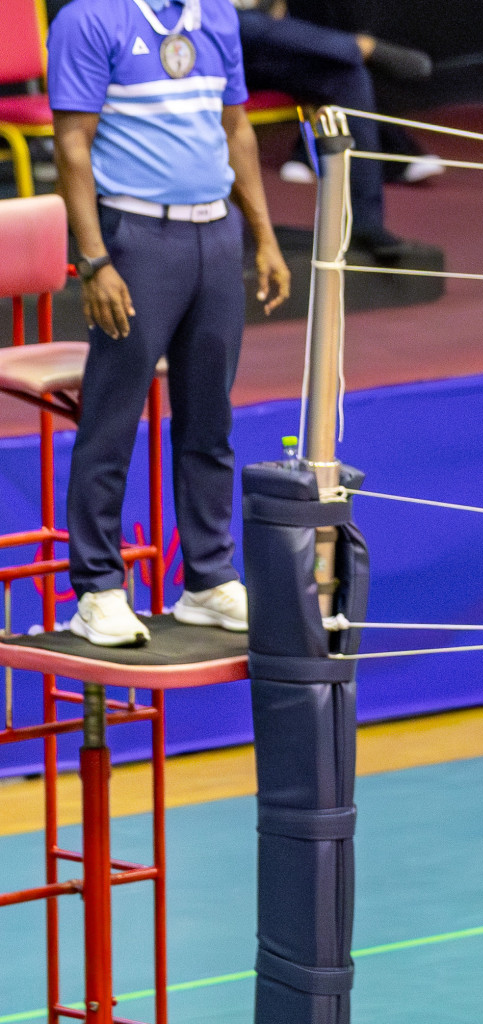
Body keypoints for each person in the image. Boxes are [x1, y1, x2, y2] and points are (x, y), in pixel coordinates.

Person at [48, 0, 292, 646]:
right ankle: (98, 588)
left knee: (209, 420)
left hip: (215, 238)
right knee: (112, 419)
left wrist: (264, 237)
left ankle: (209, 580)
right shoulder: (88, 19)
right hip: (135, 241)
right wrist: (94, 258)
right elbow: (71, 143)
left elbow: (237, 129)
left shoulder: (217, 15)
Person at [234, 0, 437, 257]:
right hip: (198, 51)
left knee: (348, 75)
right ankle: (358, 46)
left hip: (260, 47)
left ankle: (365, 222)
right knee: (234, 19)